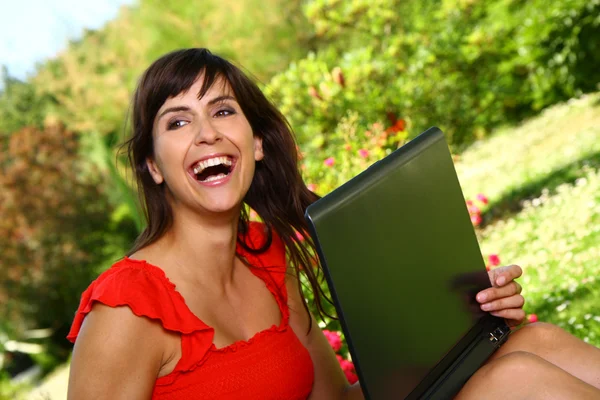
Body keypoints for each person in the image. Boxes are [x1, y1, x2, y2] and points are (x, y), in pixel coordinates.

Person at [66, 48, 600, 400]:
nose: (207, 133)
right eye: (178, 121)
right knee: (515, 380)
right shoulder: (126, 309)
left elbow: (335, 398)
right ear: (153, 166)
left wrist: (466, 325)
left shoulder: (268, 258)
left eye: (223, 111)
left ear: (256, 143)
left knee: (532, 344)